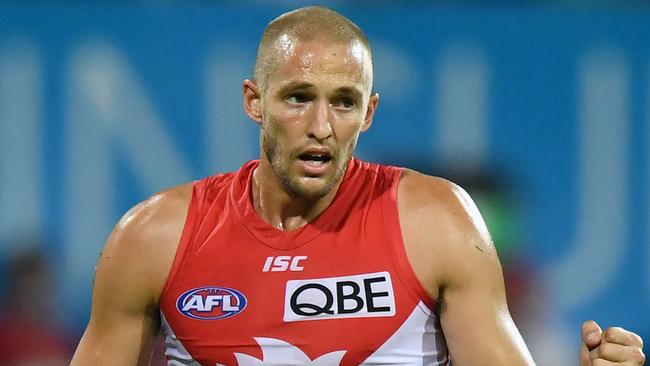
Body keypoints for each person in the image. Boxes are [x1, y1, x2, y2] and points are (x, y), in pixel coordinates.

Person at [71, 6, 645, 366]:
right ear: (254, 101)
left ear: (367, 114)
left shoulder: (434, 221)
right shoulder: (155, 237)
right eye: (298, 97)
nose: (321, 126)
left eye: (343, 103)